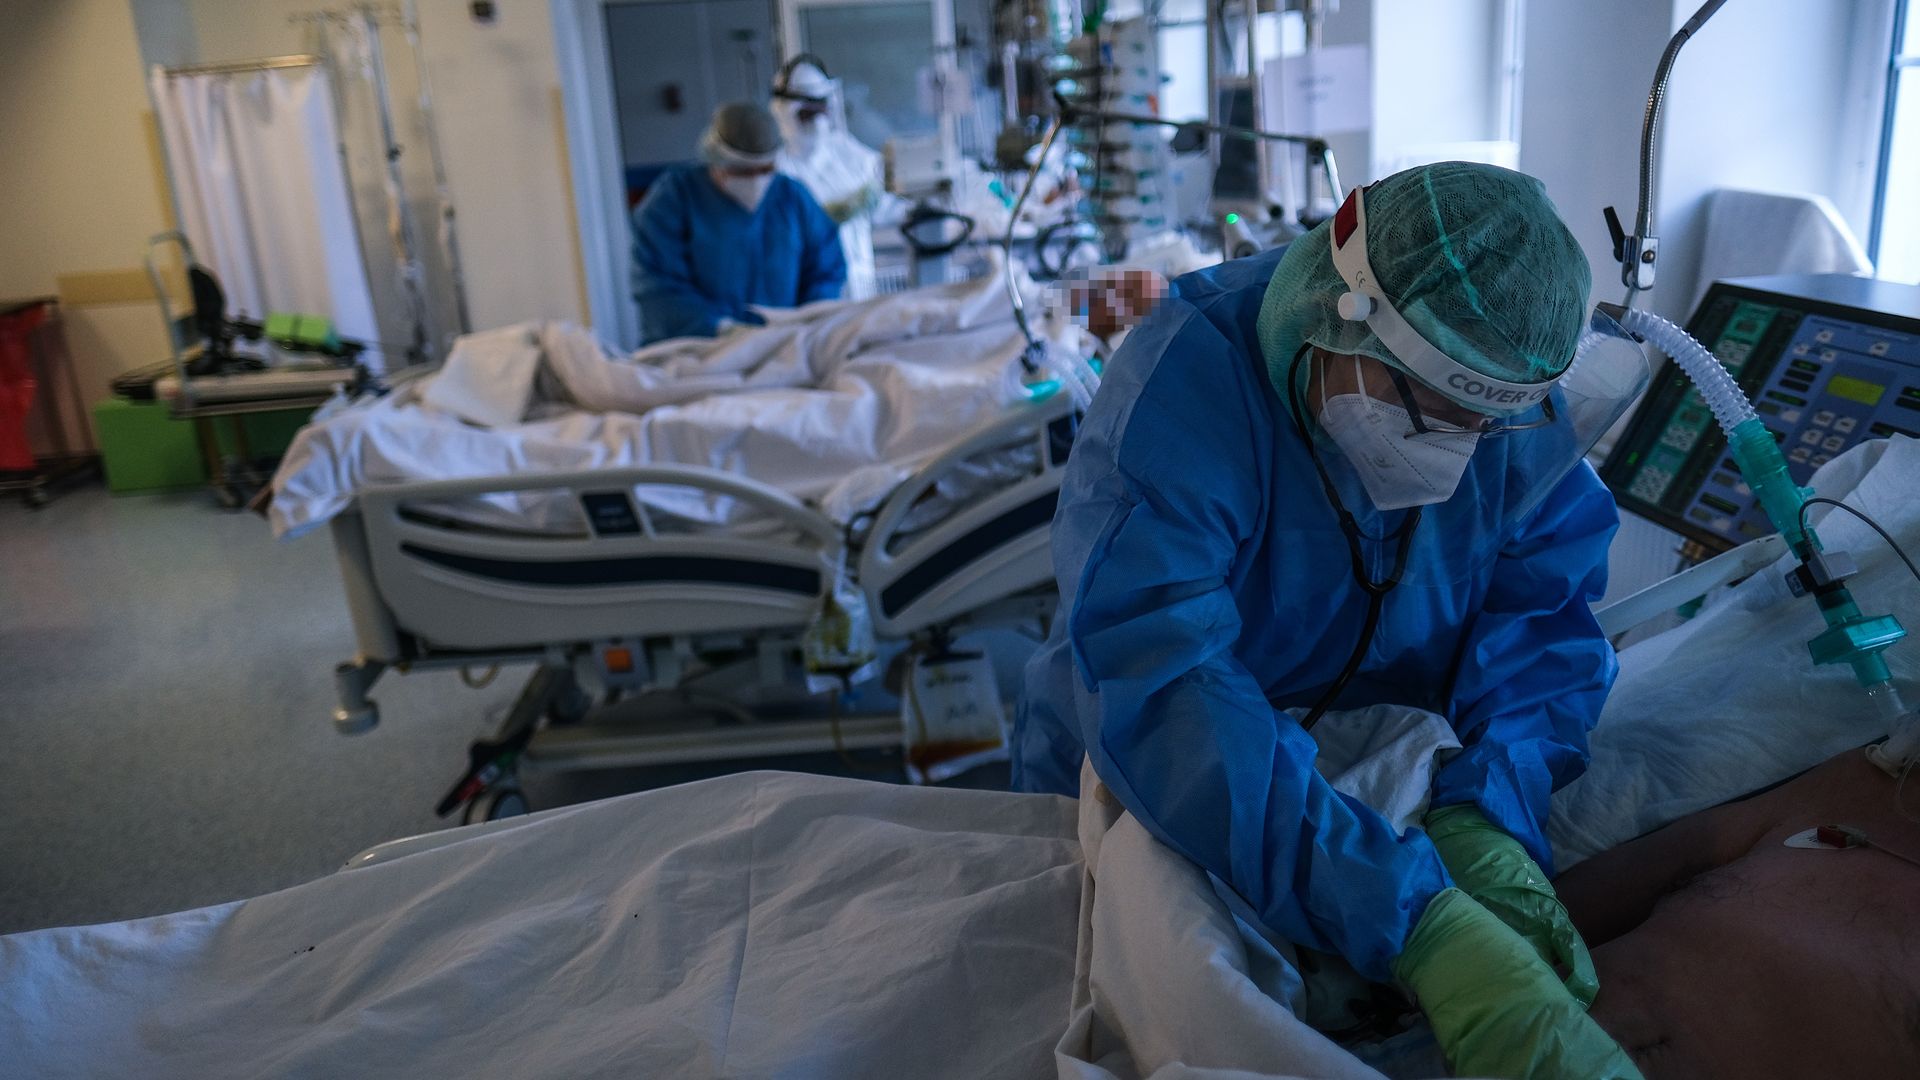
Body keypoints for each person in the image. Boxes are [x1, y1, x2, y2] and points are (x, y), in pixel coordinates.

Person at [1015, 162, 1650, 1078]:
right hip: (1161, 765)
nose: (1458, 451)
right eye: (1431, 413)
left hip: (1380, 773)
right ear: (1341, 318)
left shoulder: (1513, 400)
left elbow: (1542, 623)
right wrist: (1409, 916)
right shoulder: (1186, 391)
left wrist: (1492, 818)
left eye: (1486, 425)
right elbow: (1168, 681)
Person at [631, 102, 847, 344]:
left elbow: (827, 269)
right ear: (715, 159)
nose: (755, 180)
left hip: (783, 347)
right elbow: (656, 284)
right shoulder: (676, 197)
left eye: (765, 169)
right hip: (696, 352)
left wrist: (807, 323)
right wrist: (721, 330)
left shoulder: (792, 197)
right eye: (743, 171)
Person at [770, 58, 895, 301]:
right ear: (783, 109)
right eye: (807, 108)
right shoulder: (778, 169)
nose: (816, 116)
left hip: (861, 284)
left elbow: (889, 200)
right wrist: (825, 217)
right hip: (808, 292)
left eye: (820, 105)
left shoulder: (848, 153)